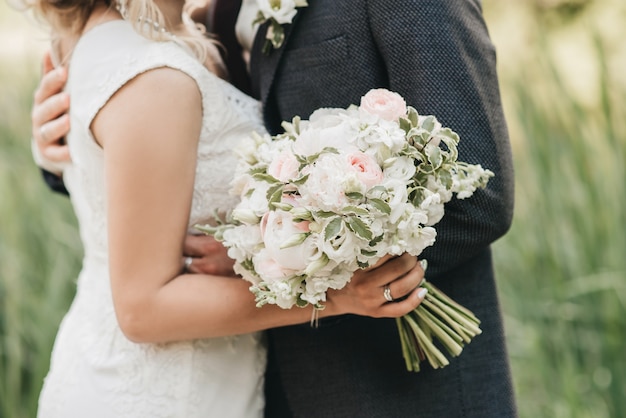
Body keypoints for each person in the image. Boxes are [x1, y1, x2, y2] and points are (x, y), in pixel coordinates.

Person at [32, 1, 517, 417]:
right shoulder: (203, 18)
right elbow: (164, 155)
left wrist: (269, 256)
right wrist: (64, 147)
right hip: (224, 385)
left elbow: (480, 194)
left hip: (393, 389)